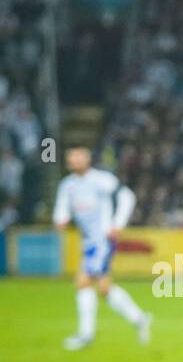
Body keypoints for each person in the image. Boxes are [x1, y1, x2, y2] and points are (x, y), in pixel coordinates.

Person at [52, 147, 151, 350]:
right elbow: (61, 209)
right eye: (72, 158)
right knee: (103, 288)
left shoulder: (101, 180)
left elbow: (127, 196)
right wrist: (60, 220)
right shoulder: (68, 185)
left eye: (79, 157)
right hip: (88, 241)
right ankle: (139, 319)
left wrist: (118, 223)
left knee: (83, 283)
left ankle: (86, 335)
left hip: (103, 240)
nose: (75, 161)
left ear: (88, 159)